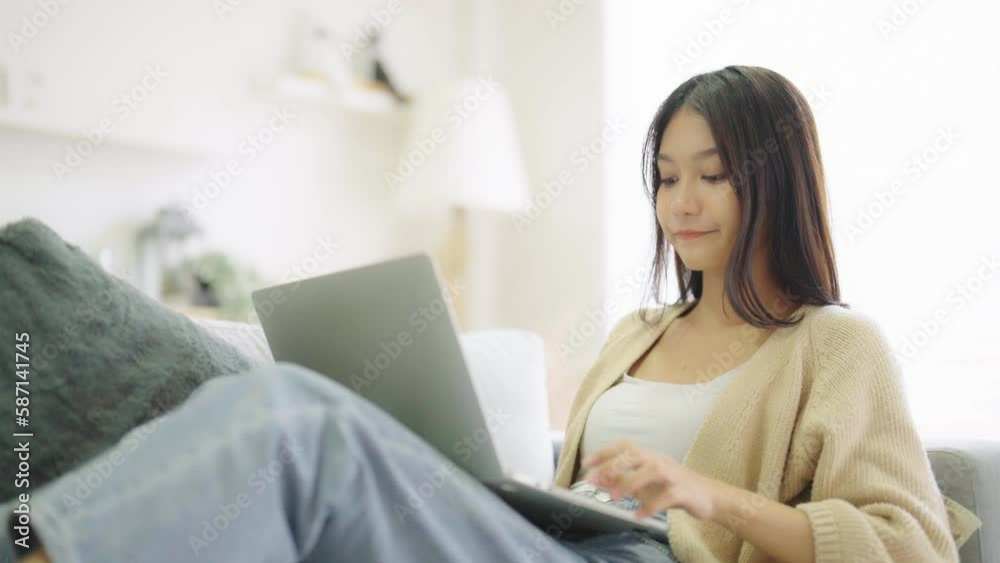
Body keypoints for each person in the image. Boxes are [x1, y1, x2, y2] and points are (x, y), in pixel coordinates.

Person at [2, 65, 959, 563]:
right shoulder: (639, 334)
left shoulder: (833, 345)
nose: (682, 202)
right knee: (248, 419)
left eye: (712, 175)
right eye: (667, 177)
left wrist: (706, 494)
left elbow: (910, 544)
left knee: (292, 420)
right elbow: (576, 489)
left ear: (776, 179)